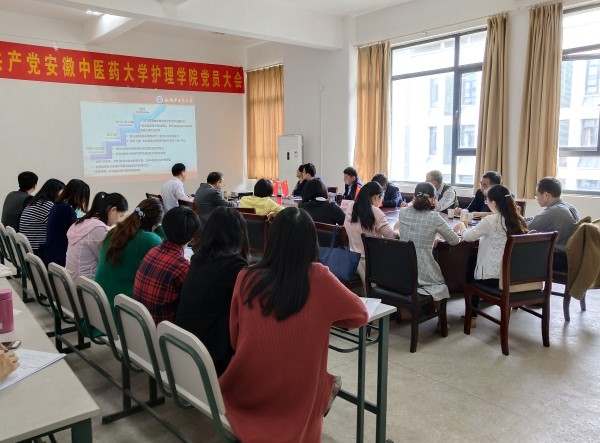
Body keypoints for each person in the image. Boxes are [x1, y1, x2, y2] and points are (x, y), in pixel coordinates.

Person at [219, 207, 369, 442]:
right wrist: (323, 315)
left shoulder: (246, 276)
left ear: (273, 238)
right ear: (311, 242)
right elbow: (360, 315)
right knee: (321, 380)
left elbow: (235, 336)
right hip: (298, 395)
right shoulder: (320, 277)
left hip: (245, 387)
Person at [175, 207, 249, 376]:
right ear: (240, 234)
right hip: (209, 358)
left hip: (182, 347)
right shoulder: (236, 267)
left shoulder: (197, 258)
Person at [454, 184, 528, 327]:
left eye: (486, 200)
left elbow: (468, 237)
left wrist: (462, 226)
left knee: (471, 263)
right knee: (474, 261)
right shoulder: (519, 220)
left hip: (494, 279)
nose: (486, 203)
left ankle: (472, 315)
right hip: (513, 276)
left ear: (493, 203)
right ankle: (474, 312)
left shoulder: (492, 221)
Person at [95, 198, 164, 311]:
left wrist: (155, 224)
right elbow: (169, 245)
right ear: (155, 224)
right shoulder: (150, 240)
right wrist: (159, 226)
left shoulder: (115, 231)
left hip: (97, 306)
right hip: (119, 311)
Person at [134, 206, 200, 324]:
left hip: (140, 325)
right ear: (193, 236)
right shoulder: (183, 267)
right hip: (164, 331)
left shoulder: (152, 251)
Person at [397, 182, 460, 305]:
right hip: (423, 272)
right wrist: (459, 228)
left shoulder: (402, 212)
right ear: (433, 199)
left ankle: (412, 310)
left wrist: (432, 236)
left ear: (414, 196)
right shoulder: (434, 217)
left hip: (403, 269)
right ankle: (437, 312)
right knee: (440, 284)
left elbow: (414, 231)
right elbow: (454, 240)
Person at [344, 181, 399, 284]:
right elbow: (392, 237)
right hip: (372, 263)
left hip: (351, 260)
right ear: (377, 197)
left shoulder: (351, 206)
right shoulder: (376, 212)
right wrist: (396, 229)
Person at [66, 192, 128, 280]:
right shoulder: (98, 229)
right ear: (113, 210)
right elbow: (109, 260)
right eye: (121, 216)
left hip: (73, 280)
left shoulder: (81, 222)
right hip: (85, 283)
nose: (118, 221)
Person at [526, 177, 579, 272]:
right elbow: (538, 219)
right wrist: (524, 219)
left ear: (546, 195)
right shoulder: (568, 207)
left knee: (518, 252)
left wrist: (515, 220)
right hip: (568, 257)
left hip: (558, 258)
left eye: (537, 195)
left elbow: (527, 227)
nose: (537, 198)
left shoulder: (555, 211)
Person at [44, 179, 90, 267]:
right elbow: (77, 232)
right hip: (60, 258)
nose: (84, 200)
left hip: (52, 255)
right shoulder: (66, 209)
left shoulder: (58, 206)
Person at [19, 178, 65, 259]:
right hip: (38, 250)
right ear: (55, 192)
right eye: (62, 192)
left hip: (30, 248)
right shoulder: (47, 205)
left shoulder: (35, 202)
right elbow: (59, 227)